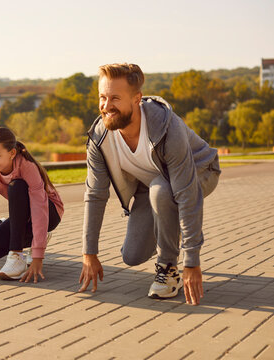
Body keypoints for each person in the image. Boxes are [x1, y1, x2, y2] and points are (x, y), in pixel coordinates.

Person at [78, 63, 221, 305]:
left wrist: (191, 260)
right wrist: (89, 253)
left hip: (200, 171)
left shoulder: (167, 127)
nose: (106, 105)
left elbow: (186, 195)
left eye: (115, 98)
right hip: (152, 185)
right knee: (131, 256)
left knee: (163, 191)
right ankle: (173, 229)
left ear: (137, 99)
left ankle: (167, 269)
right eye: (102, 97)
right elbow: (95, 195)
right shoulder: (100, 137)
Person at [0, 127, 64, 282]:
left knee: (16, 186)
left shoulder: (27, 166)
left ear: (12, 153)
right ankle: (39, 237)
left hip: (50, 212)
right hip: (25, 216)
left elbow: (39, 209)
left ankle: (16, 256)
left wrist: (38, 256)